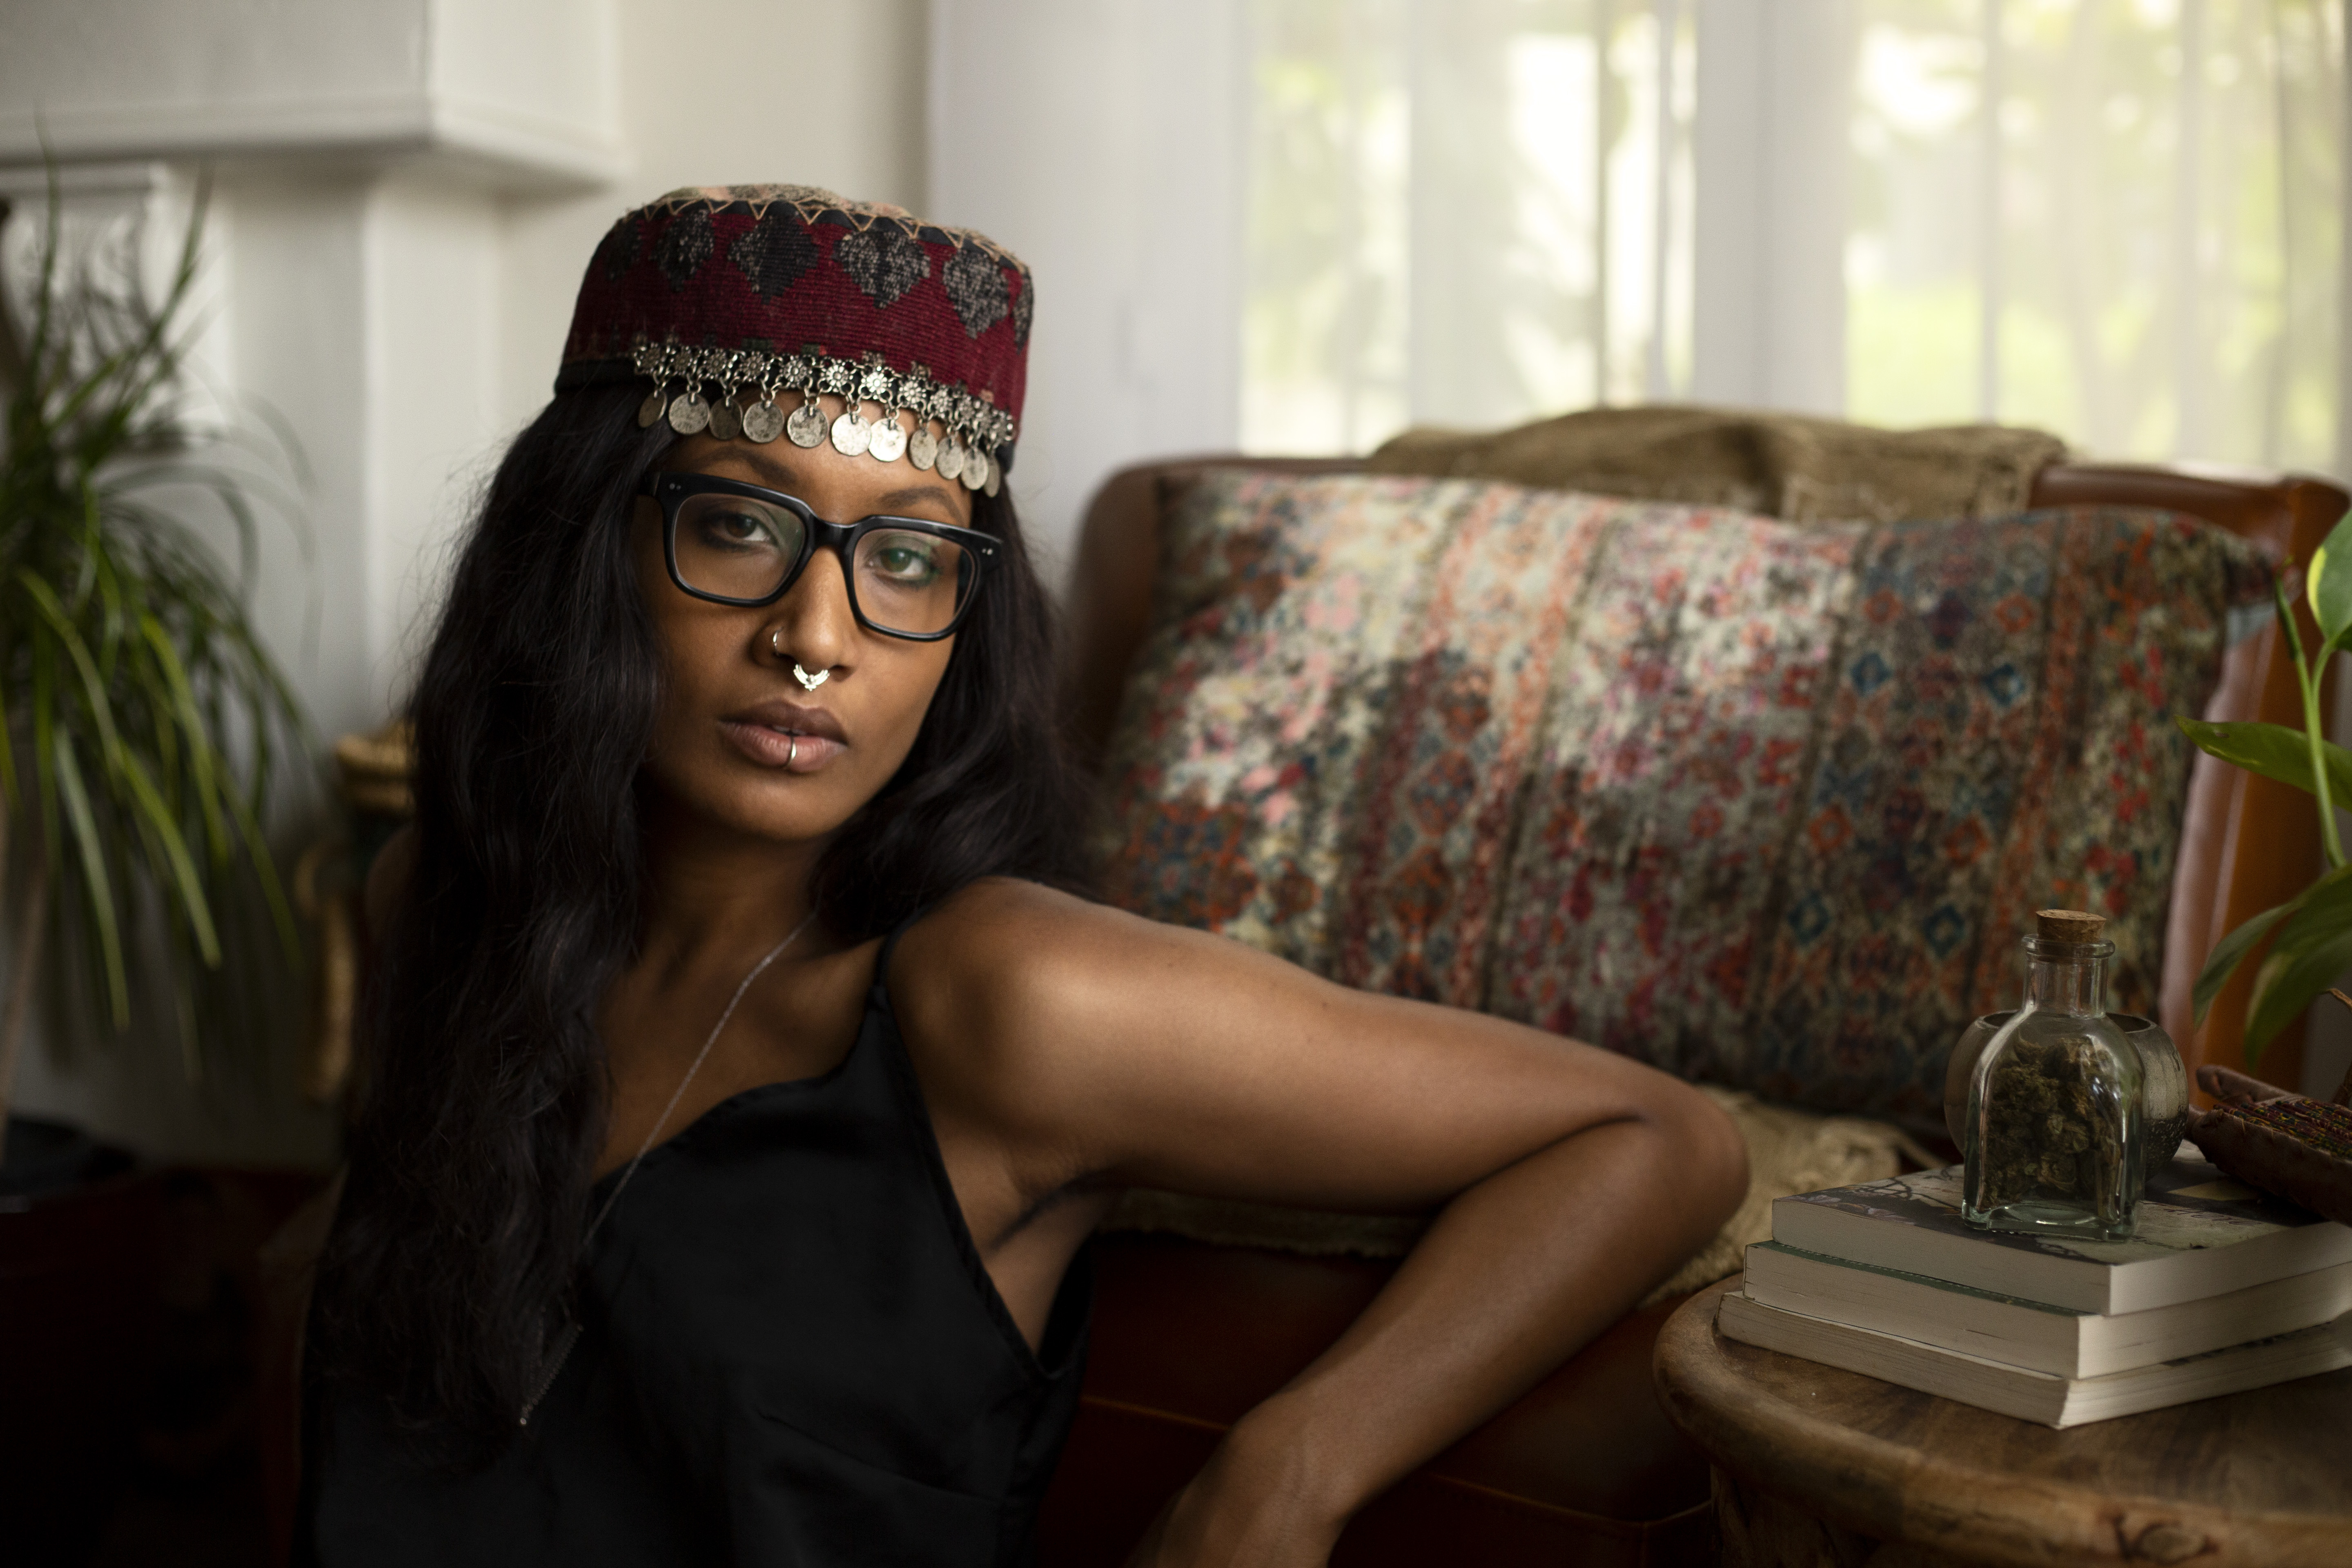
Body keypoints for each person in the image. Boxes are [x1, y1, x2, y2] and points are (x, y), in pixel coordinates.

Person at [299, 185, 1746, 1567]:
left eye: (911, 558)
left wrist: (1286, 1473)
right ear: (586, 547)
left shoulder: (1012, 998)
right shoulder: (439, 904)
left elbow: (1659, 1141)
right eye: (739, 524)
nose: (820, 638)